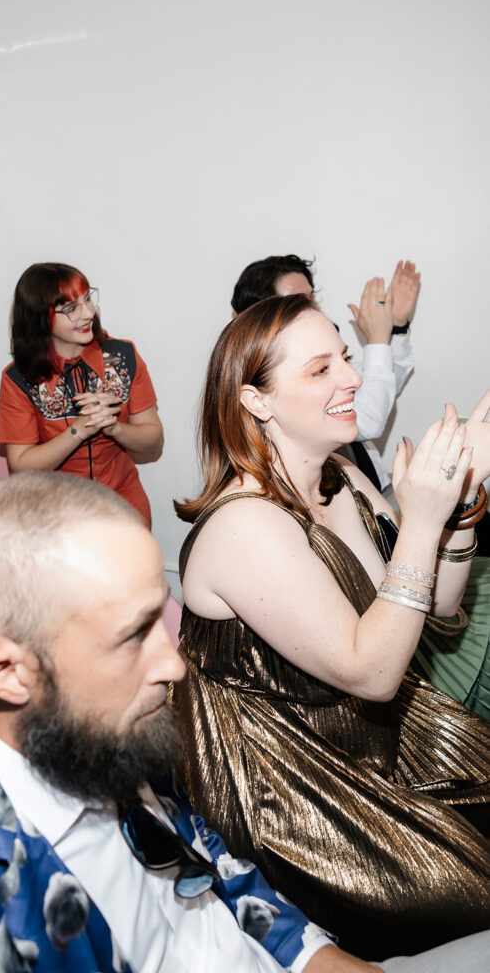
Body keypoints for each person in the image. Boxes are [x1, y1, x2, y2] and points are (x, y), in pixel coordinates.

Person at [0, 472, 488, 973]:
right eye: (131, 637)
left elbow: (213, 862)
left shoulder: (95, 726)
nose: (174, 666)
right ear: (8, 673)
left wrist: (321, 959)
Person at [172, 294, 490, 960]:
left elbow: (429, 606)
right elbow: (372, 673)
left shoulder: (338, 474)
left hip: (372, 738)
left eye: (344, 358)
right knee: (475, 889)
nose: (351, 377)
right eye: (321, 369)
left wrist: (459, 509)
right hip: (292, 785)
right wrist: (421, 521)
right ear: (256, 401)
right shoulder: (244, 524)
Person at [231, 254, 420, 496]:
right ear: (262, 317)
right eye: (297, 301)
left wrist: (396, 327)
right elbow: (369, 417)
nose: (312, 308)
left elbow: (381, 384)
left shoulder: (323, 354)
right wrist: (378, 339)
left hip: (374, 492)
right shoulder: (255, 384)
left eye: (311, 298)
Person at [0, 262, 163, 525]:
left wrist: (113, 427)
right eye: (71, 308)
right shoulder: (19, 378)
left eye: (87, 299)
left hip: (122, 502)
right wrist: (79, 429)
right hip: (57, 513)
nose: (88, 314)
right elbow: (21, 466)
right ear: (40, 318)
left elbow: (153, 441)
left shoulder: (123, 356)